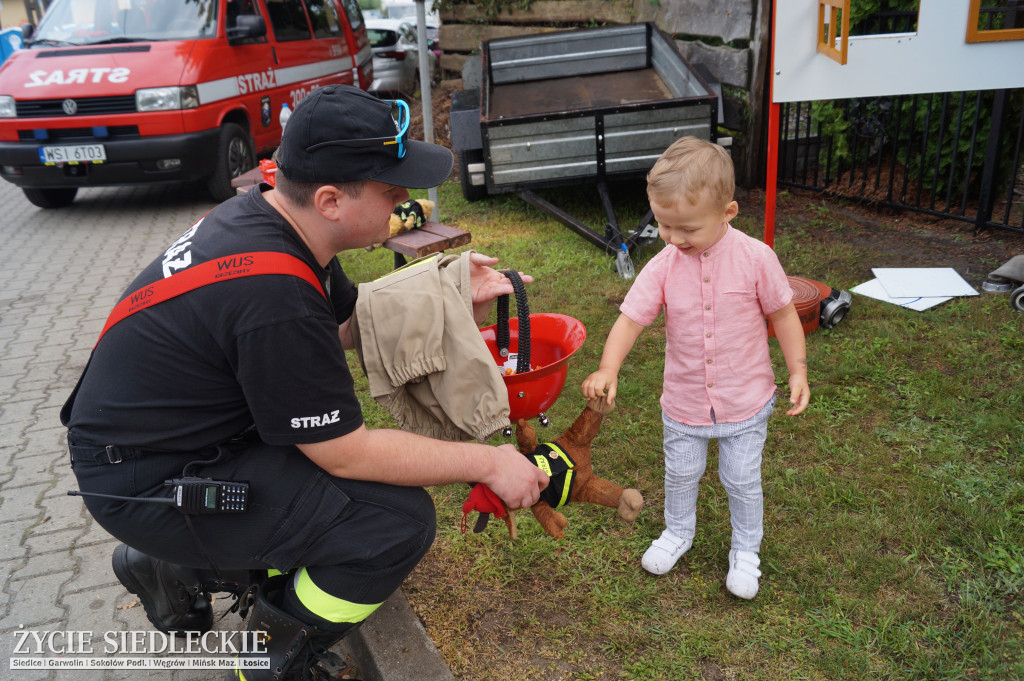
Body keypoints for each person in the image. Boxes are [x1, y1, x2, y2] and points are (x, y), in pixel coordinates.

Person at [60, 84, 549, 680]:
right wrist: (487, 463)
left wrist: (447, 298)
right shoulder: (275, 291)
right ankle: (269, 656)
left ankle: (180, 565)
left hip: (166, 446)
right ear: (330, 199)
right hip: (145, 478)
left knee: (328, 497)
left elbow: (343, 323)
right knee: (392, 524)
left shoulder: (277, 223)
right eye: (393, 191)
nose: (404, 202)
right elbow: (347, 453)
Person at [581, 136, 809, 600]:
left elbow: (784, 314)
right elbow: (631, 318)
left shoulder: (755, 258)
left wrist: (798, 369)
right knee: (681, 473)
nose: (673, 238)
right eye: (664, 225)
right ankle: (677, 532)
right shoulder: (665, 265)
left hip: (746, 398)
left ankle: (746, 552)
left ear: (727, 213)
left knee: (741, 478)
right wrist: (609, 368)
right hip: (684, 402)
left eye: (686, 228)